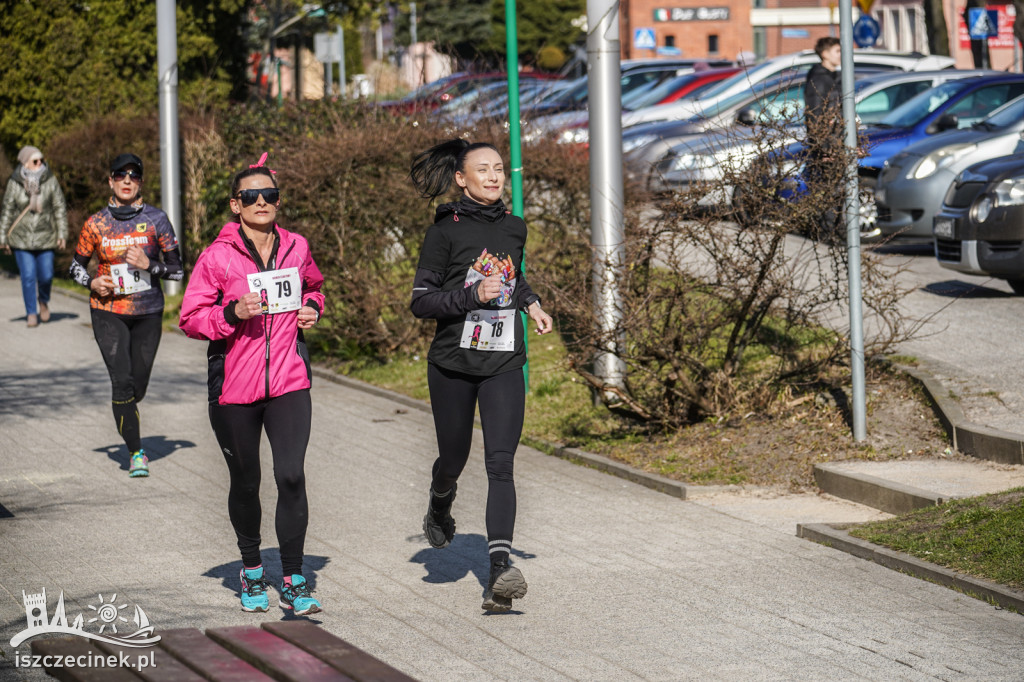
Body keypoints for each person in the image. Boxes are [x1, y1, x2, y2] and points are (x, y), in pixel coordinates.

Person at [409, 139, 553, 612]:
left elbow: (512, 276)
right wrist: (471, 295)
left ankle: (498, 574)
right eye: (483, 170)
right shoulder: (443, 233)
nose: (494, 177)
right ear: (461, 178)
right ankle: (440, 498)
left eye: (499, 170)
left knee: (501, 463)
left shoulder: (515, 227)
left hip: (504, 360)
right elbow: (421, 300)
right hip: (453, 363)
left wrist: (530, 304)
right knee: (454, 457)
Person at [179, 153, 325, 616]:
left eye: (270, 194)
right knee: (246, 482)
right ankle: (251, 570)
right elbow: (189, 318)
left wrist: (314, 308)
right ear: (235, 205)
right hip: (233, 391)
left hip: (288, 379)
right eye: (251, 196)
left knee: (291, 475)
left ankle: (295, 577)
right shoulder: (217, 257)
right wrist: (231, 314)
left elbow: (315, 286)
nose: (262, 201)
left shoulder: (296, 246)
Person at [70, 153, 183, 478]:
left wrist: (151, 265)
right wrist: (92, 281)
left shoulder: (157, 220)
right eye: (120, 175)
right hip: (108, 311)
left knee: (138, 386)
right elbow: (73, 267)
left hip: (148, 311)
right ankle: (136, 453)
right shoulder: (96, 223)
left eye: (134, 175)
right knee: (122, 384)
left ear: (141, 182)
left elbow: (177, 272)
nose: (127, 181)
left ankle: (130, 418)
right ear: (111, 181)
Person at [0, 146, 68, 327]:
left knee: (46, 275)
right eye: (35, 161)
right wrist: (2, 237)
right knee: (28, 276)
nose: (40, 164)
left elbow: (59, 207)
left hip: (46, 237)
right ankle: (31, 312)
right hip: (21, 239)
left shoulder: (50, 181)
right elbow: (7, 210)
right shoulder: (15, 183)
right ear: (25, 163)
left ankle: (43, 301)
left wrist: (62, 233)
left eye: (41, 161)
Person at [803, 36, 844, 240]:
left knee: (835, 190)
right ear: (825, 54)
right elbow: (816, 115)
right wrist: (826, 148)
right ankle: (826, 233)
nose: (841, 54)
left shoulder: (831, 76)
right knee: (829, 190)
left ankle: (831, 231)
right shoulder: (820, 79)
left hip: (835, 143)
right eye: (837, 51)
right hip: (828, 146)